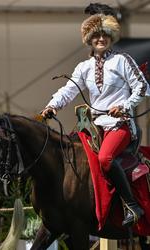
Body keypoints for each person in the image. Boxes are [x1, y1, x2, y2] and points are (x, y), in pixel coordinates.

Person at [41, 5, 149, 227]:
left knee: (105, 159)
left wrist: (125, 106)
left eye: (105, 35)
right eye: (96, 35)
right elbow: (69, 90)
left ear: (111, 37)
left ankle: (132, 206)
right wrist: (52, 106)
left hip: (120, 125)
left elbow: (143, 87)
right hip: (94, 126)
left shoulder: (123, 60)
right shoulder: (83, 67)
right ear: (89, 40)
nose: (101, 39)